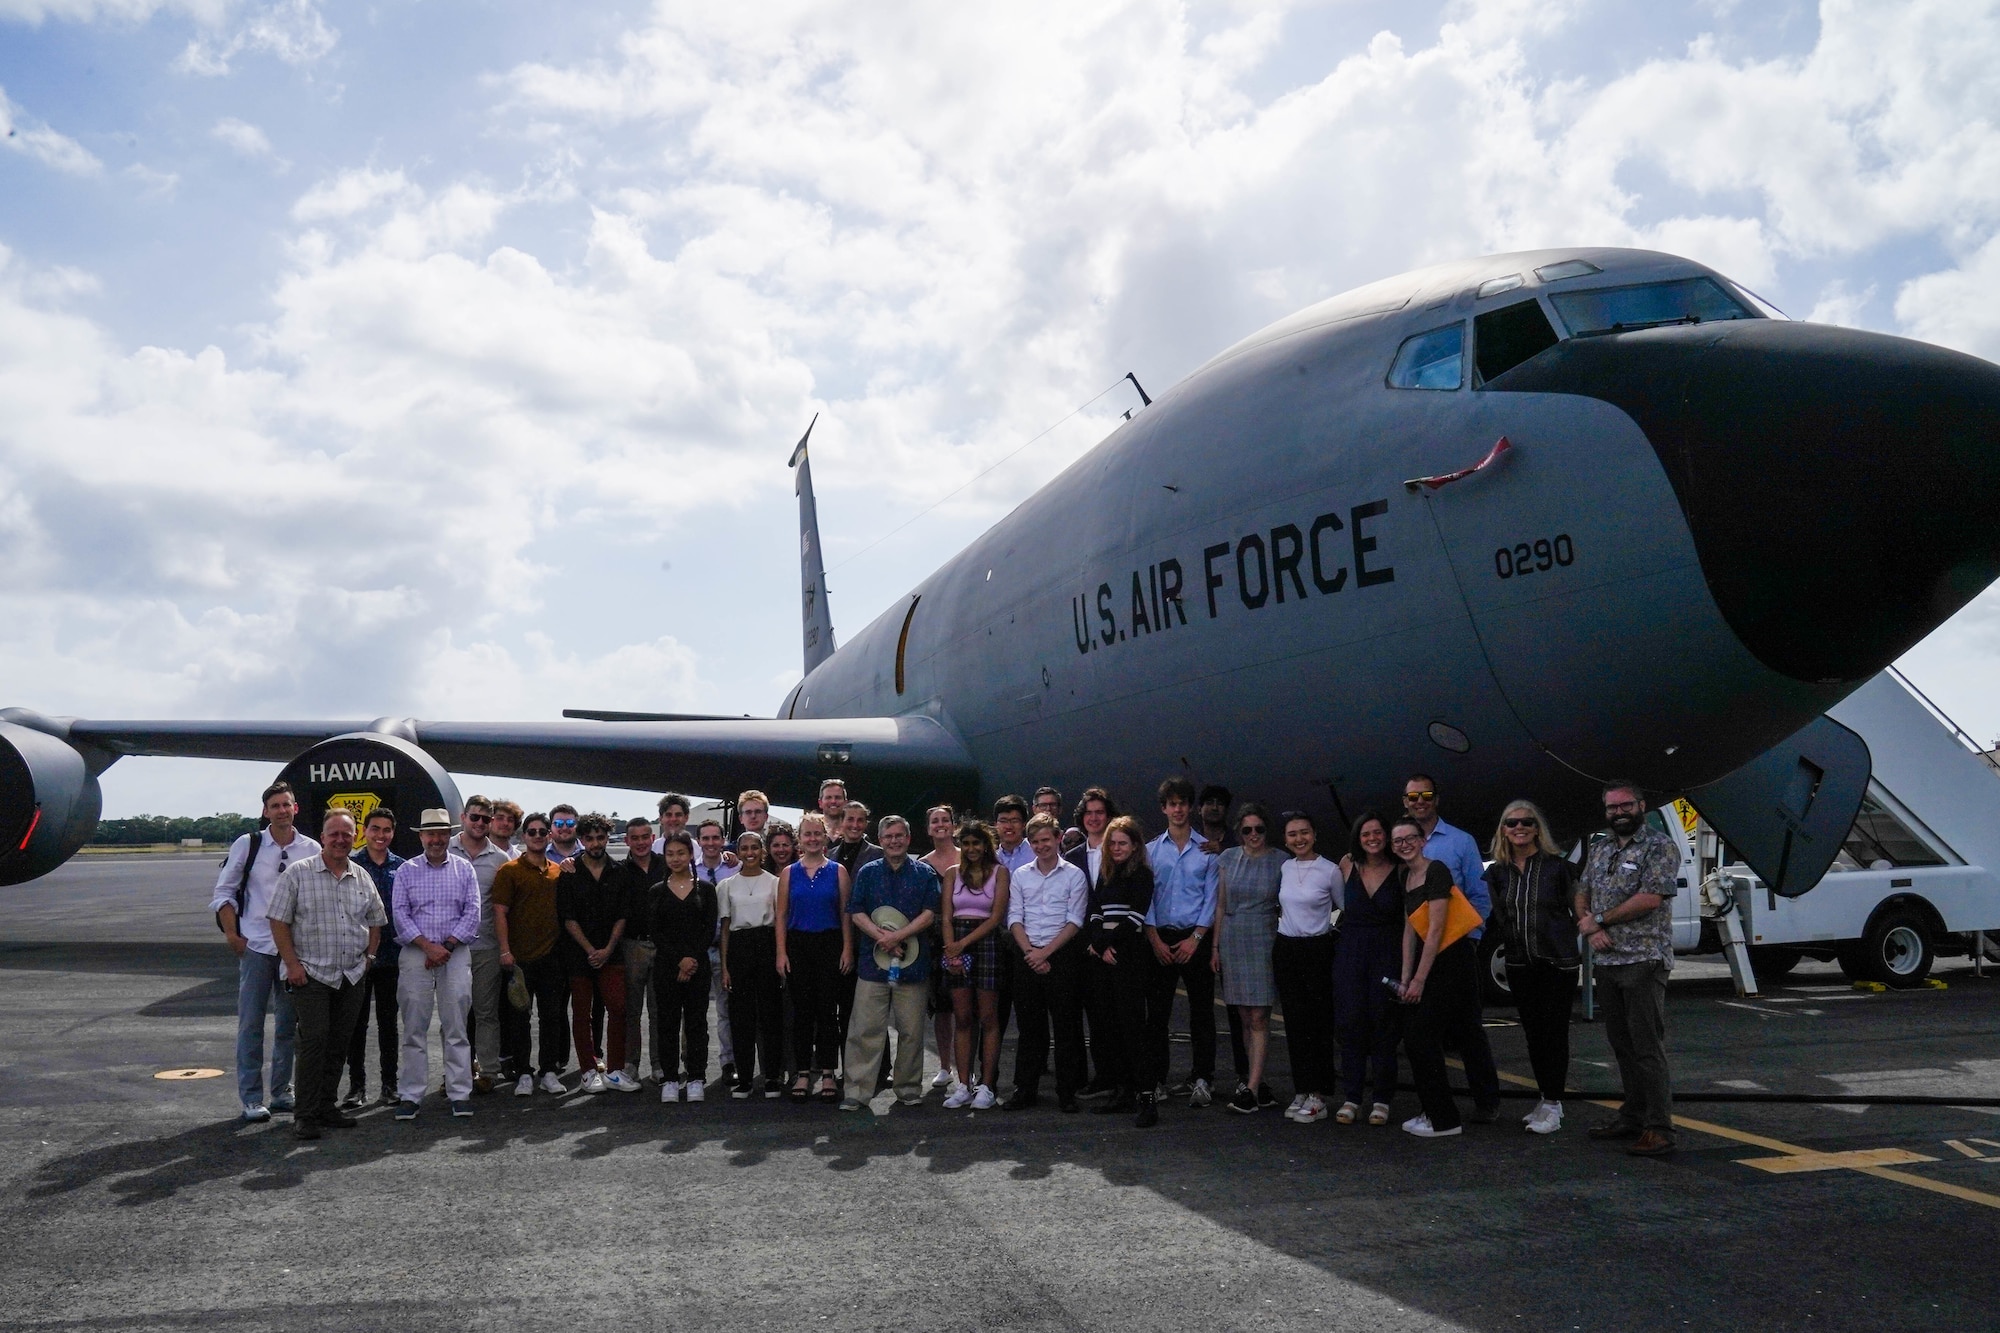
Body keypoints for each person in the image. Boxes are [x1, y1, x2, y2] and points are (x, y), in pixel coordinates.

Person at [267, 810, 387, 1140]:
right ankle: (304, 1114)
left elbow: (377, 920)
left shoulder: (361, 876)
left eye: (346, 834)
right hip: (311, 974)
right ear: (322, 837)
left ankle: (326, 1105)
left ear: (355, 838)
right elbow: (278, 921)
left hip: (351, 975)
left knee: (338, 1043)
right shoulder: (298, 874)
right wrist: (292, 965)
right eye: (334, 833)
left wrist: (369, 958)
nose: (340, 839)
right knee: (314, 1041)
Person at [1576, 781, 1680, 1156]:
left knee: (1646, 1046)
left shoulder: (1659, 847)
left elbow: (1650, 898)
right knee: (1621, 1045)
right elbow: (1581, 890)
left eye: (1625, 806)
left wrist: (1599, 920)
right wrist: (1589, 926)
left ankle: (1660, 1127)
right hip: (1607, 961)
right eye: (1611, 808)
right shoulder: (1600, 848)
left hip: (1643, 960)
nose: (1618, 813)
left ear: (1641, 805)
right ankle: (1633, 1115)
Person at [209, 781, 320, 1122]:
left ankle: (282, 1092)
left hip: (292, 951)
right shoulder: (249, 844)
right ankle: (251, 1097)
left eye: (287, 804)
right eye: (275, 806)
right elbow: (223, 892)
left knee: (288, 1024)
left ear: (295, 808)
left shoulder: (310, 848)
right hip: (256, 945)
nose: (282, 811)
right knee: (251, 1024)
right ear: (265, 811)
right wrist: (233, 935)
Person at [1393, 815, 1497, 1139]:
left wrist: (1419, 981)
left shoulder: (1436, 869)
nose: (1405, 844)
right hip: (1432, 960)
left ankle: (1443, 1118)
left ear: (1423, 840)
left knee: (1423, 1035)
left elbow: (1436, 929)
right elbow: (1410, 929)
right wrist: (1405, 976)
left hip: (1452, 959)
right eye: (1398, 841)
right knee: (1460, 1029)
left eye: (1411, 838)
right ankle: (1453, 1107)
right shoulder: (1404, 876)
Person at [1487, 799, 1579, 1134]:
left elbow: (1578, 910)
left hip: (1557, 962)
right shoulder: (1497, 872)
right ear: (1503, 830)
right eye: (1511, 823)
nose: (1519, 828)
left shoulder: (1558, 868)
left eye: (1526, 822)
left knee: (1554, 1033)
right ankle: (1544, 1097)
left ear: (1537, 828)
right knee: (1533, 1033)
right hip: (1519, 962)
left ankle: (1554, 1104)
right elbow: (1498, 916)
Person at [840, 816, 943, 1110]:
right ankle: (857, 1091)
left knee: (912, 1031)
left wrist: (899, 936)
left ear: (908, 839)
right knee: (865, 1030)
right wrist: (881, 937)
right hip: (872, 966)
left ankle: (909, 1088)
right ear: (881, 840)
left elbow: (929, 913)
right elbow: (856, 910)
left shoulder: (924, 873)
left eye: (900, 836)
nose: (894, 841)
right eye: (889, 836)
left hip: (913, 965)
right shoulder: (868, 872)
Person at [391, 808, 482, 1120]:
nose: (436, 839)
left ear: (449, 835)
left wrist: (445, 947)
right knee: (414, 1026)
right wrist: (428, 947)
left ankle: (460, 1093)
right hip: (418, 951)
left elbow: (472, 911)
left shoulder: (464, 869)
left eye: (442, 833)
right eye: (430, 833)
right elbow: (400, 914)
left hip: (454, 951)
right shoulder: (406, 871)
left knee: (456, 1024)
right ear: (421, 836)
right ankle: (411, 1095)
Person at [1004, 814, 1089, 1111]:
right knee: (1029, 1029)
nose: (1042, 846)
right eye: (1036, 841)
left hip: (1062, 957)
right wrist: (1031, 952)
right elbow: (1014, 916)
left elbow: (1075, 921)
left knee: (1065, 1027)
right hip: (1027, 955)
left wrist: (1045, 953)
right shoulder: (1021, 875)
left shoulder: (1074, 875)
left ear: (1057, 838)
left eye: (1046, 840)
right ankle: (1025, 1089)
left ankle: (1067, 1092)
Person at [1144, 777, 1219, 1107]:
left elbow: (1211, 898)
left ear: (1191, 808)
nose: (1178, 809)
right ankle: (1156, 1079)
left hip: (1196, 937)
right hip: (1160, 938)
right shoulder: (1149, 851)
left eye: (1183, 803)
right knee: (1157, 1015)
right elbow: (1145, 898)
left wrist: (1196, 939)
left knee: (1202, 1013)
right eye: (1172, 804)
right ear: (1163, 808)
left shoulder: (1207, 851)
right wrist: (1154, 938)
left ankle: (1203, 1078)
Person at [1085, 816, 1160, 1125]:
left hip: (1130, 957)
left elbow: (1135, 919)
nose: (1116, 848)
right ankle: (1122, 1091)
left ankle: (1146, 1098)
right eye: (1112, 843)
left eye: (1122, 843)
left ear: (1134, 846)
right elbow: (1094, 912)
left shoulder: (1142, 875)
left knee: (1133, 1028)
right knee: (1111, 1027)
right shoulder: (1105, 873)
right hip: (1107, 958)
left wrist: (1105, 943)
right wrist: (1100, 944)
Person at [557, 813, 636, 1094]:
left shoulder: (620, 872)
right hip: (579, 955)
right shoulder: (569, 873)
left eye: (600, 837)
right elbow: (568, 918)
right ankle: (589, 1072)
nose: (595, 843)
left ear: (607, 837)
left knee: (618, 1009)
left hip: (611, 954)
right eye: (589, 838)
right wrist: (591, 950)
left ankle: (614, 1071)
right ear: (581, 840)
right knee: (582, 1014)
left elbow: (622, 916)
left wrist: (607, 950)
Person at [776, 812, 852, 1102]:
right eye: (806, 834)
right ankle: (804, 1073)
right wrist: (781, 952)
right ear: (800, 839)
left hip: (829, 943)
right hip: (798, 945)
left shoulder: (838, 871)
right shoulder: (789, 873)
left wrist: (846, 948)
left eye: (817, 834)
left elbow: (845, 913)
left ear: (825, 838)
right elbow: (781, 915)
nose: (812, 839)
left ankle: (829, 1072)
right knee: (802, 1012)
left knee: (827, 1012)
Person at [1211, 803, 1282, 1114]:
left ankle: (1251, 1088)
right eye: (1247, 830)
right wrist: (1214, 947)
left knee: (1259, 1017)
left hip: (1264, 938)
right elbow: (1220, 904)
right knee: (1243, 1015)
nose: (1254, 834)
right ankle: (1256, 1080)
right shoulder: (1227, 858)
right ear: (1239, 832)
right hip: (1233, 938)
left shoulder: (1281, 861)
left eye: (1259, 829)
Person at [1333, 812, 1402, 1126]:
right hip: (1351, 952)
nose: (1372, 838)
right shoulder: (1347, 865)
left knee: (1384, 1025)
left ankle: (1382, 1099)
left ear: (1386, 836)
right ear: (1357, 838)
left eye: (1378, 832)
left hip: (1387, 952)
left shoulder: (1399, 870)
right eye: (1365, 833)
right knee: (1351, 1024)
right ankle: (1352, 1096)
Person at [492, 812, 568, 1096]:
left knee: (552, 1016)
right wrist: (505, 951)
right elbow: (499, 912)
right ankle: (524, 1072)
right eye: (531, 832)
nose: (537, 836)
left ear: (549, 836)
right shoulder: (509, 870)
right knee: (519, 1018)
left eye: (542, 832)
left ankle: (548, 1070)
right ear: (522, 837)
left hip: (551, 958)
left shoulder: (558, 871)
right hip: (518, 958)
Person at [1272, 812, 1340, 1125]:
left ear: (1314, 834)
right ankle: (1302, 1089)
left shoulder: (1330, 870)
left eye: (1304, 833)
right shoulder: (1285, 867)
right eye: (1292, 835)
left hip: (1317, 950)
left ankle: (1319, 1095)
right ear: (1285, 839)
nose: (1299, 839)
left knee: (1319, 1024)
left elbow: (1344, 909)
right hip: (1287, 949)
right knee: (1295, 1024)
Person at [940, 820, 1010, 1110]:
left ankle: (987, 1085)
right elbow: (945, 916)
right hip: (955, 942)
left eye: (976, 843)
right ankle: (963, 1085)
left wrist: (963, 944)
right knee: (963, 1016)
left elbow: (996, 917)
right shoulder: (952, 874)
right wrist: (951, 951)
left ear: (986, 845)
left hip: (987, 943)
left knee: (988, 1017)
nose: (971, 849)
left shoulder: (1000, 873)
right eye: (966, 843)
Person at [341, 807, 403, 1109]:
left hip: (392, 958)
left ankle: (390, 1085)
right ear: (364, 831)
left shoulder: (402, 867)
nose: (381, 835)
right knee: (356, 1024)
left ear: (393, 832)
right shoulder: (351, 865)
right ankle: (356, 1086)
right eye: (375, 829)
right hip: (358, 958)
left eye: (386, 830)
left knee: (389, 1024)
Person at [450, 796, 512, 1093]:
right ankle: (456, 1072)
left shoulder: (501, 859)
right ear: (464, 817)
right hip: (450, 948)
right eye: (474, 817)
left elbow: (504, 906)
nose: (479, 824)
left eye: (485, 820)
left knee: (487, 1012)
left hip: (486, 944)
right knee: (454, 1014)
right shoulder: (444, 849)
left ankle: (489, 1071)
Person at [651, 830, 718, 1103]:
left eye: (681, 853)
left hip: (698, 966)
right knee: (667, 1022)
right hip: (666, 966)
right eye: (670, 854)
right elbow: (656, 931)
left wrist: (690, 959)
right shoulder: (656, 891)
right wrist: (679, 959)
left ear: (691, 854)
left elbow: (708, 929)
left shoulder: (707, 889)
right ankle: (669, 1077)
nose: (675, 858)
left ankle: (696, 1077)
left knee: (696, 1023)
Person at [719, 831, 784, 1098]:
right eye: (744, 848)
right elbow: (724, 928)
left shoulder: (776, 883)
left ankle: (771, 1077)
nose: (749, 852)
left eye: (754, 847)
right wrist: (724, 966)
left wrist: (780, 955)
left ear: (762, 851)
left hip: (767, 944)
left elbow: (780, 922)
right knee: (740, 1017)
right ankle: (744, 1078)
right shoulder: (726, 886)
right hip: (739, 948)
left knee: (770, 1015)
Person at [619, 816, 666, 1086]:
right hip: (632, 945)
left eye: (644, 837)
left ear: (652, 838)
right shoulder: (619, 869)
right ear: (627, 840)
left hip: (661, 945)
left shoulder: (665, 866)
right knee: (632, 1010)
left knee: (659, 1009)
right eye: (634, 838)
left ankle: (659, 1065)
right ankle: (631, 1064)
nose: (639, 842)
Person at [694, 817, 740, 1088]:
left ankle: (728, 1062)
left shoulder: (735, 869)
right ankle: (693, 1064)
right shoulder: (689, 870)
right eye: (706, 838)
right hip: (699, 950)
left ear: (723, 840)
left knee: (726, 1011)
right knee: (696, 1012)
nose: (711, 843)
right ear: (699, 841)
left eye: (715, 838)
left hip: (726, 950)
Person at [920, 805, 961, 1093]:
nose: (941, 825)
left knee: (965, 1008)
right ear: (928, 828)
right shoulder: (922, 864)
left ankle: (965, 1067)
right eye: (935, 821)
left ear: (954, 825)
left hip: (965, 936)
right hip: (934, 942)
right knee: (943, 1008)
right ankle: (945, 1067)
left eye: (945, 820)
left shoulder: (968, 857)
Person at [1063, 788, 1117, 886]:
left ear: (1109, 817)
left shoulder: (1119, 852)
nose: (1093, 818)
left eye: (1099, 812)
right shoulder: (1071, 857)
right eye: (1088, 813)